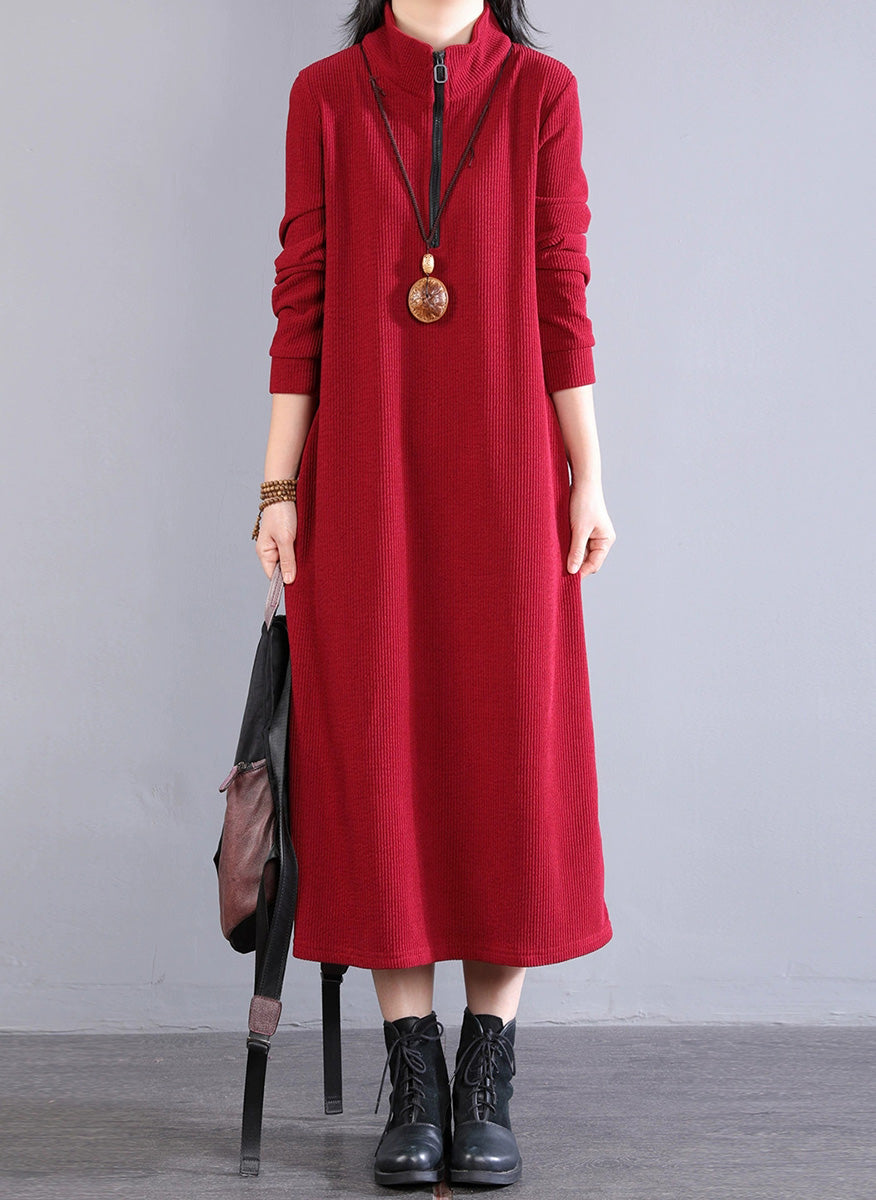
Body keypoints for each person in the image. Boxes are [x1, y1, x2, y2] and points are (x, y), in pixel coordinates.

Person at [252, 0, 616, 1187]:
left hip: (509, 467)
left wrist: (589, 475)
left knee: (510, 753)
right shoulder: (325, 95)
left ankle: (485, 1071)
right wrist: (278, 485)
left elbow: (561, 287)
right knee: (378, 750)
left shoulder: (541, 96)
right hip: (364, 469)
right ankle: (412, 1074)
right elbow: (302, 295)